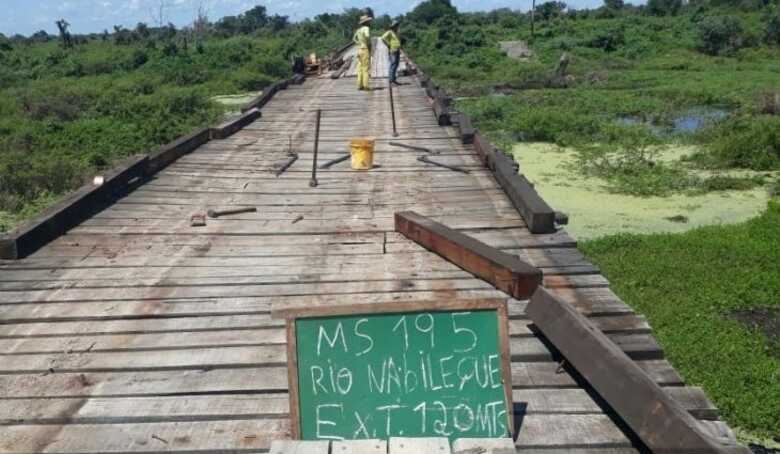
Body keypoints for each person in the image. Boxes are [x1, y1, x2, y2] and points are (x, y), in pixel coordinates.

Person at [353, 15, 373, 91]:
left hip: (359, 49)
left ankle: (359, 85)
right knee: (366, 68)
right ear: (367, 22)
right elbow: (367, 36)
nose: (370, 22)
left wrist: (359, 43)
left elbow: (354, 39)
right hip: (365, 49)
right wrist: (368, 43)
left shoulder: (358, 30)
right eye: (369, 21)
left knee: (360, 68)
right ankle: (366, 86)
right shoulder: (366, 28)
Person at [382, 21, 402, 85]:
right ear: (393, 26)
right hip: (393, 50)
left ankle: (393, 79)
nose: (397, 27)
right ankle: (391, 80)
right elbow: (383, 38)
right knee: (393, 65)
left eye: (397, 25)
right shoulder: (390, 32)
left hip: (397, 50)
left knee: (396, 65)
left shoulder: (396, 33)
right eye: (396, 26)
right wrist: (388, 44)